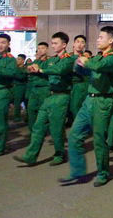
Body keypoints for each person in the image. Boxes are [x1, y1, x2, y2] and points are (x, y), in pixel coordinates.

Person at [61, 26, 113, 187]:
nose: (98, 40)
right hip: (89, 99)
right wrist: (80, 65)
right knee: (74, 134)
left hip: (103, 101)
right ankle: (77, 170)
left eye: (101, 37)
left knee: (99, 140)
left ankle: (102, 172)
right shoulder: (98, 58)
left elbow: (98, 67)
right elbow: (84, 72)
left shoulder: (112, 59)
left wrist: (86, 60)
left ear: (110, 41)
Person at [16, 32, 75, 166]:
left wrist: (41, 70)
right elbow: (39, 67)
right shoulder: (50, 60)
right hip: (49, 96)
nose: (53, 46)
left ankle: (59, 154)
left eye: (56, 43)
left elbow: (59, 70)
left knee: (56, 129)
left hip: (61, 96)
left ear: (64, 45)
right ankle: (30, 156)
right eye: (52, 43)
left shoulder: (68, 59)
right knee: (38, 126)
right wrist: (32, 68)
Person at [0, 33, 17, 157]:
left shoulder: (10, 59)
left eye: (3, 42)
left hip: (2, 92)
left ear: (8, 44)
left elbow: (11, 73)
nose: (0, 45)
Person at [27, 42, 50, 132]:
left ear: (47, 50)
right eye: (39, 48)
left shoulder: (49, 61)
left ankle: (41, 130)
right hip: (34, 88)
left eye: (42, 48)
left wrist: (39, 70)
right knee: (31, 109)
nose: (40, 50)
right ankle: (32, 130)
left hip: (44, 88)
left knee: (42, 110)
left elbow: (48, 72)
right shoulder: (35, 61)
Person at [68, 35, 88, 124]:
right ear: (73, 44)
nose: (79, 44)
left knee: (76, 107)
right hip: (67, 84)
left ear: (85, 46)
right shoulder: (67, 57)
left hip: (78, 85)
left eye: (82, 42)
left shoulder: (85, 59)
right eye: (78, 41)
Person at [12, 54, 28, 123]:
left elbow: (21, 77)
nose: (17, 61)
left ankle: (21, 116)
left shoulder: (25, 68)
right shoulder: (15, 68)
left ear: (23, 60)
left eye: (19, 59)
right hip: (16, 86)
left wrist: (14, 74)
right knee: (16, 102)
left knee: (23, 102)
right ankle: (17, 116)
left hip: (22, 86)